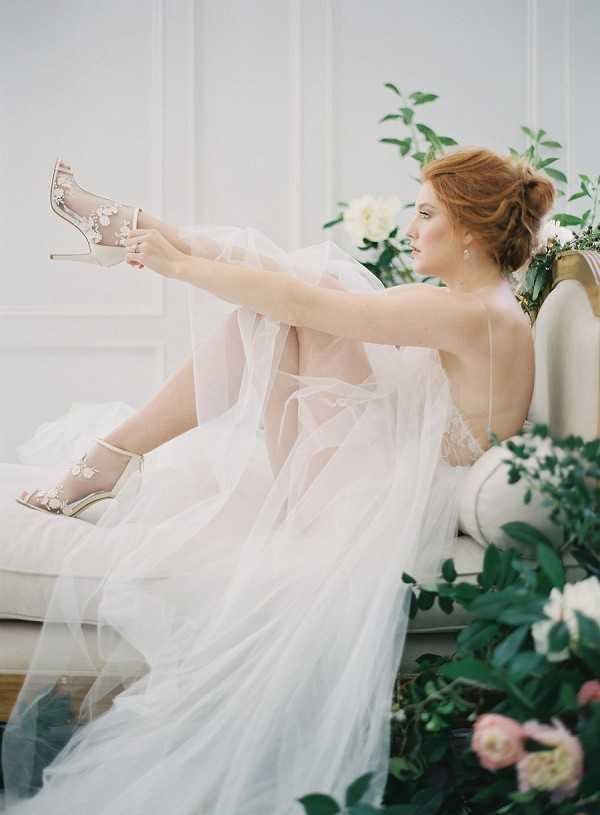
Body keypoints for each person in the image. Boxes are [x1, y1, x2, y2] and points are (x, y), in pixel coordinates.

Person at [1, 147, 555, 813]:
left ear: (469, 229)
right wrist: (186, 258)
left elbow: (305, 302)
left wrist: (180, 266)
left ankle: (112, 440)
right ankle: (123, 240)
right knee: (289, 295)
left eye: (425, 214)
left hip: (358, 500)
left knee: (288, 299)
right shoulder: (478, 304)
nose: (410, 228)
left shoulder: (471, 315)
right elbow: (307, 297)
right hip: (365, 475)